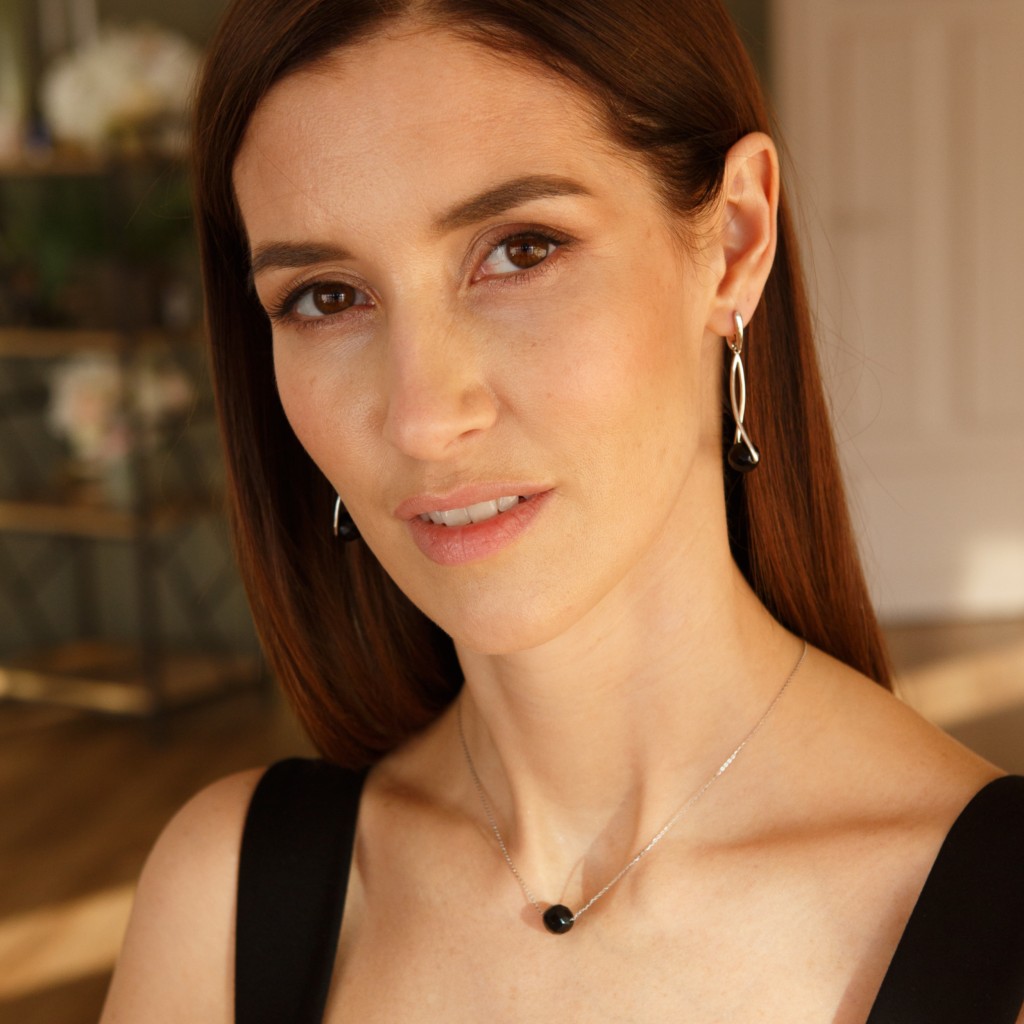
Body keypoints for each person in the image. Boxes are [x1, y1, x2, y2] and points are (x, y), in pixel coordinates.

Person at [99, 1, 1024, 1021]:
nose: (423, 418)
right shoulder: (224, 900)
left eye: (522, 250)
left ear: (734, 240)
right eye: (326, 296)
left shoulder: (993, 923)